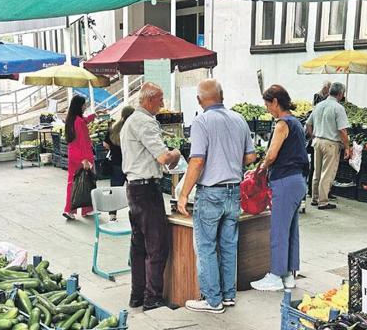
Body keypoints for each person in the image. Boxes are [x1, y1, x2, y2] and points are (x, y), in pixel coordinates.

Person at [176, 79, 256, 314]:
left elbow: (197, 160)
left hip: (211, 193)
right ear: (222, 96)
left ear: (199, 100)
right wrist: (230, 161)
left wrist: (183, 194)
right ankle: (228, 296)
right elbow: (250, 157)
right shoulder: (239, 118)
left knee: (206, 247)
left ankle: (212, 300)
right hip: (234, 191)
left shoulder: (201, 121)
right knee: (229, 245)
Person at [120, 83, 181, 311]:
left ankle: (137, 295)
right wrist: (176, 153)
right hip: (146, 189)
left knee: (139, 244)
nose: (163, 104)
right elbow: (164, 157)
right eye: (161, 99)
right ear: (149, 100)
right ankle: (152, 298)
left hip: (134, 187)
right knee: (157, 245)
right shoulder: (145, 121)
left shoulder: (131, 120)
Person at [250, 85, 308, 292]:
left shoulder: (282, 124)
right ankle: (288, 276)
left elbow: (272, 155)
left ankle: (275, 275)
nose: (267, 109)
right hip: (297, 181)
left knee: (279, 230)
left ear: (275, 102)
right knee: (291, 229)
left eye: (267, 104)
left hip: (285, 180)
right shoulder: (297, 123)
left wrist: (261, 168)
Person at [308, 82, 350, 210]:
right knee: (327, 173)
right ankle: (323, 201)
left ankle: (315, 198)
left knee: (317, 171)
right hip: (331, 144)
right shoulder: (338, 108)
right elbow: (342, 130)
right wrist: (347, 146)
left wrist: (313, 137)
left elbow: (308, 124)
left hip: (317, 141)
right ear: (341, 94)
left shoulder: (319, 105)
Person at [63, 95, 96, 221]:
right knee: (87, 182)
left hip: (73, 155)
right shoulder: (80, 122)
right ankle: (86, 209)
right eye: (84, 104)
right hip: (82, 156)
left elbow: (84, 121)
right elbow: (84, 142)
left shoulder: (72, 119)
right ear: (79, 106)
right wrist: (86, 159)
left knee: (73, 183)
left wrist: (93, 116)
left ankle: (69, 209)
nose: (85, 106)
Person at [103, 106, 135, 221]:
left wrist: (113, 147)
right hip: (131, 163)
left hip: (116, 163)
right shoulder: (132, 128)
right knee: (133, 190)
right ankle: (135, 212)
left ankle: (112, 215)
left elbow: (105, 144)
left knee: (115, 190)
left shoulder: (113, 128)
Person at [304, 81, 332, 200]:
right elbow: (310, 122)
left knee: (318, 168)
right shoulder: (319, 99)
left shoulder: (326, 102)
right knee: (318, 168)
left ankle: (317, 194)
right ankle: (315, 192)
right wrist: (313, 136)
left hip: (317, 137)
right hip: (319, 137)